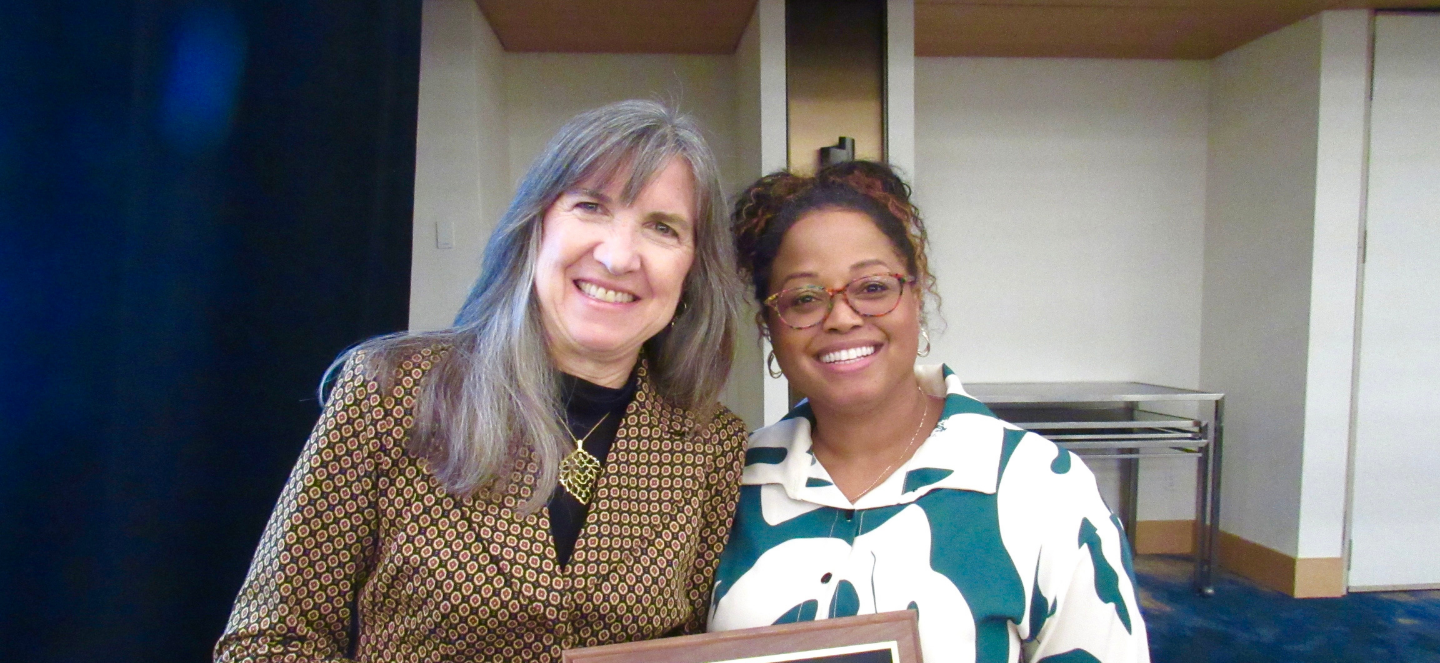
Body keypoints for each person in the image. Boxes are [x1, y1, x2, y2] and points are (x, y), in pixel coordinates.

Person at [215, 100, 749, 662]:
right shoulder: (393, 389)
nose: (618, 256)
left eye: (662, 228)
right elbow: (268, 641)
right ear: (535, 226)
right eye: (591, 206)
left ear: (693, 268)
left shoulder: (712, 444)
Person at [709, 161, 1150, 663]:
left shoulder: (1040, 487)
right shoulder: (729, 479)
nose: (842, 318)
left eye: (873, 288)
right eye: (805, 298)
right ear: (771, 326)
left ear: (916, 294)